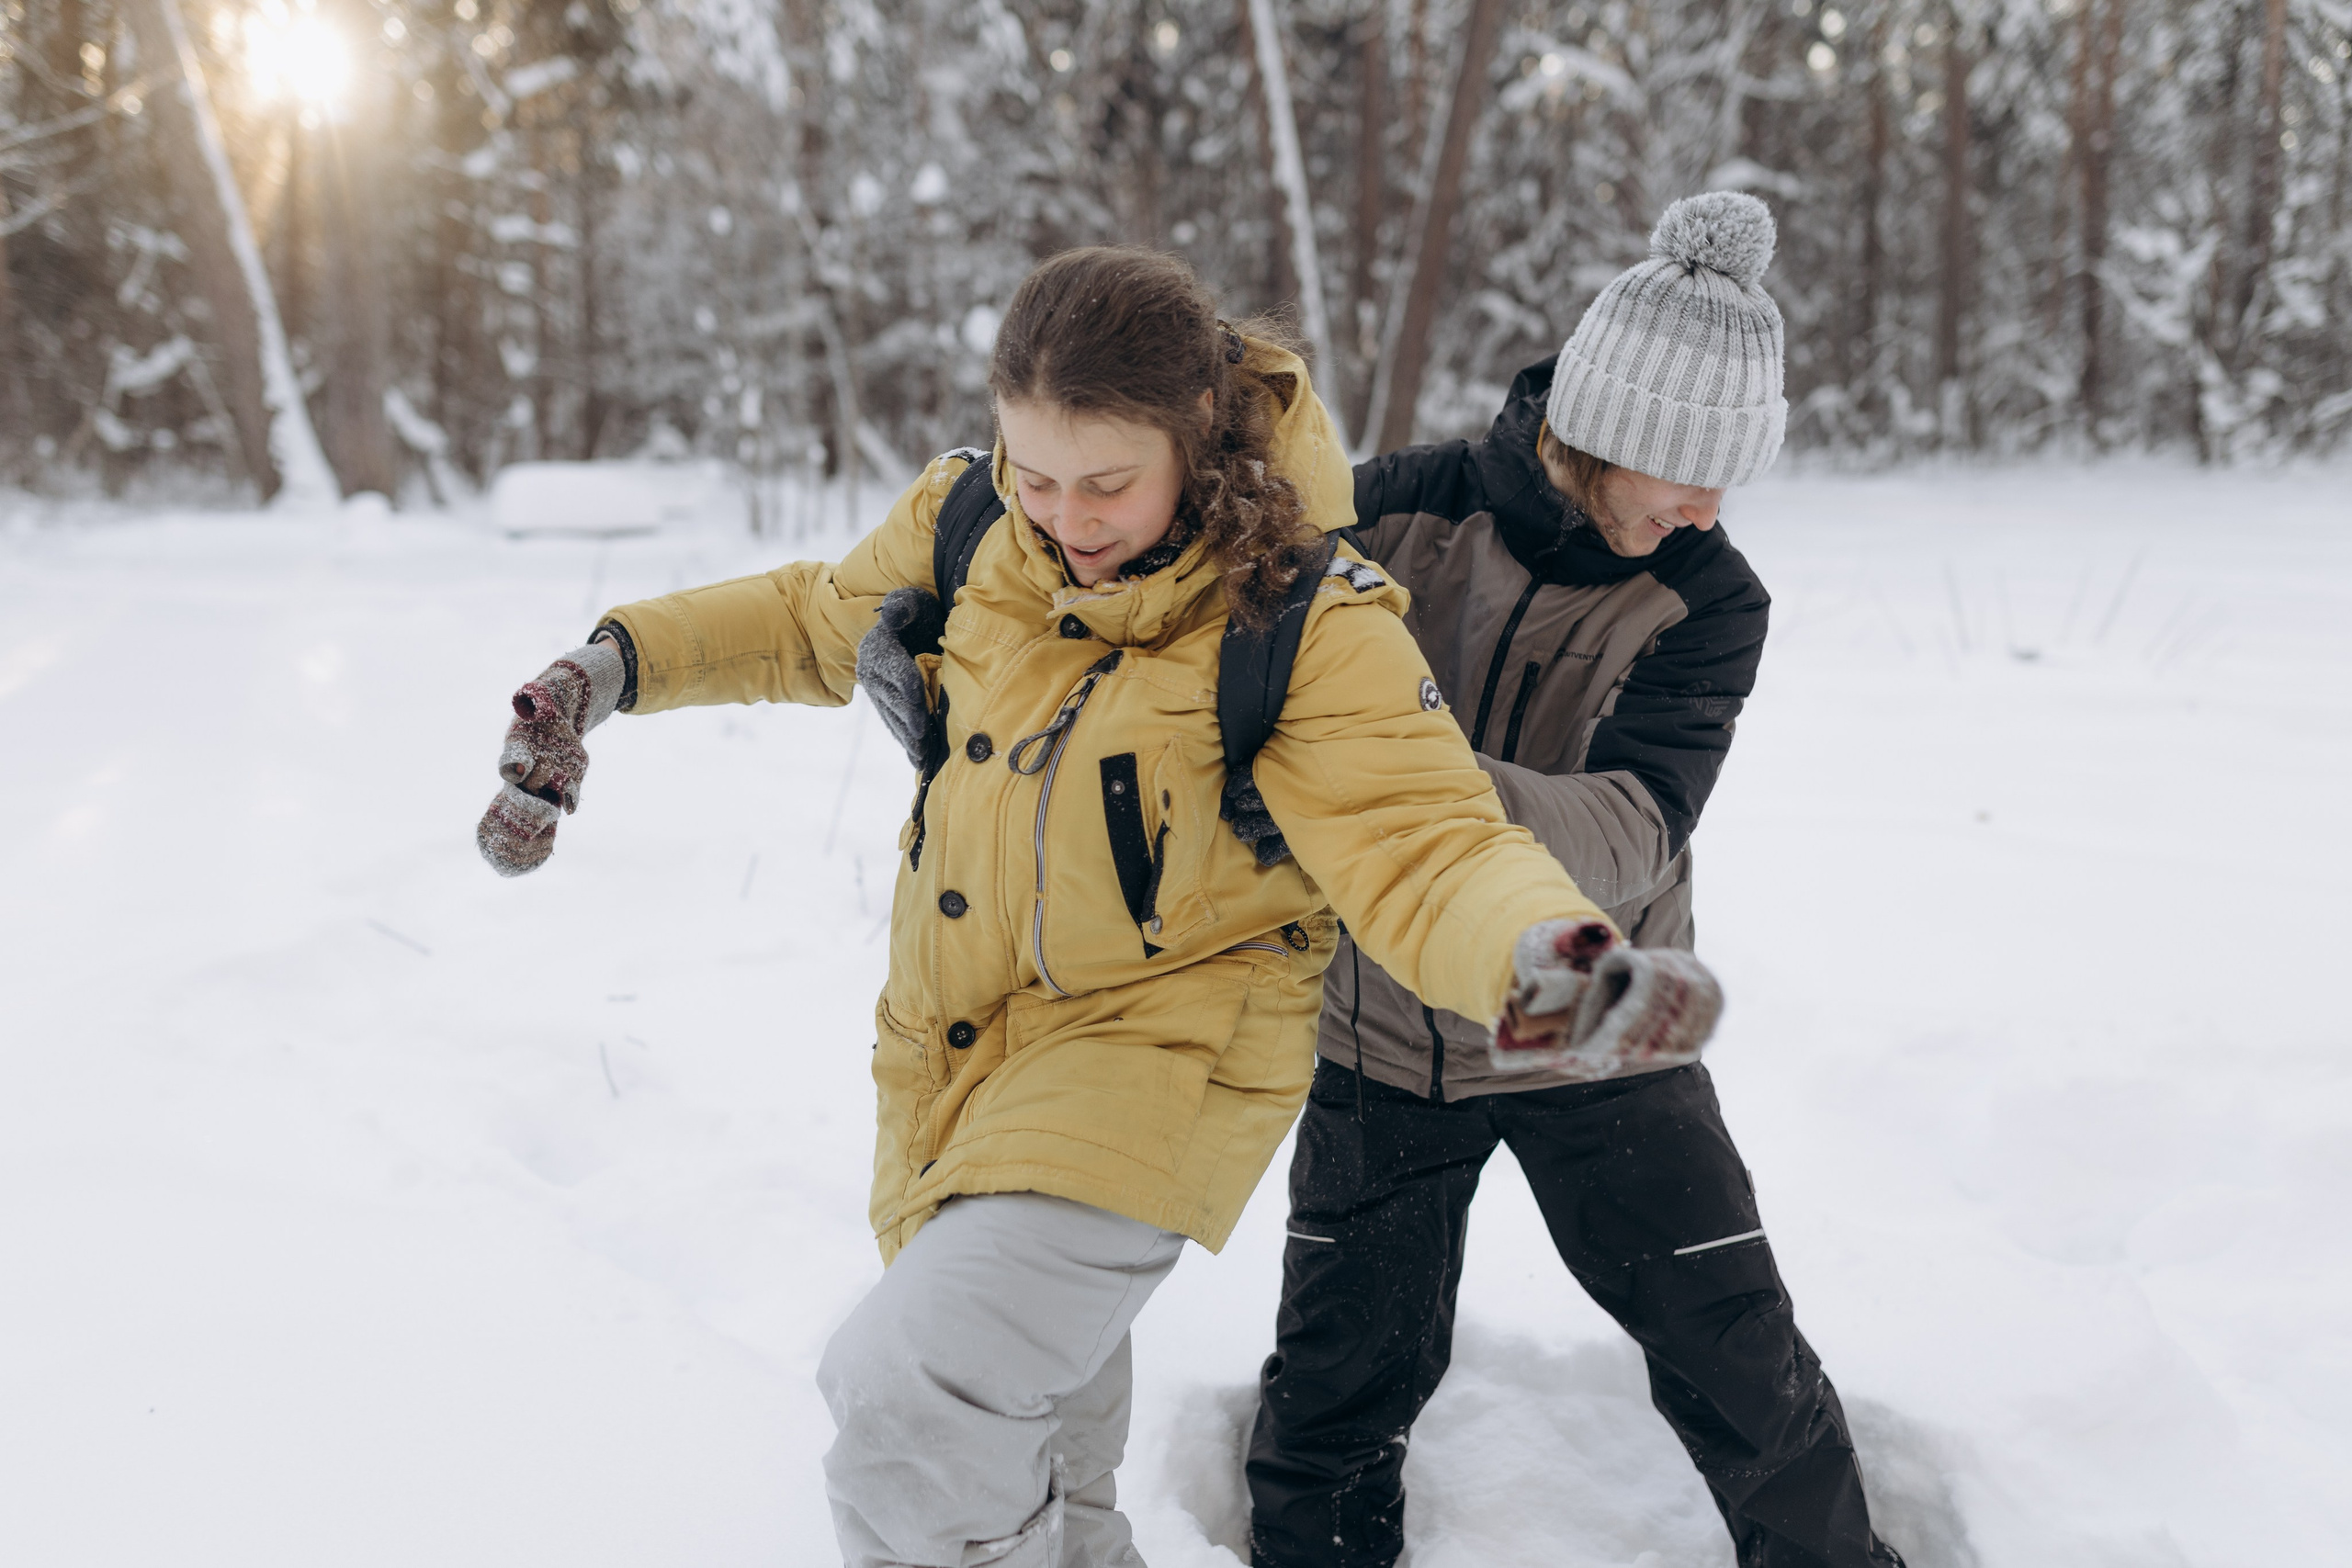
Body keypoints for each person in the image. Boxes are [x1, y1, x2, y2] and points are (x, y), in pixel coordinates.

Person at [473, 247, 1713, 1568]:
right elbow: (806, 620)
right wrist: (605, 669)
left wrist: (1557, 960)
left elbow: (1427, 843)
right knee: (1047, 1482)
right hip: (953, 1061)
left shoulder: (1302, 620)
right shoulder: (971, 526)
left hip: (1157, 1059)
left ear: (1200, 442)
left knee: (913, 1398)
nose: (1064, 514)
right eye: (1036, 471)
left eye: (1108, 482)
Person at [1246, 194, 1908, 1567]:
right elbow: (1212, 650)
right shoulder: (1387, 510)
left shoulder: (1711, 600)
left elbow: (1634, 826)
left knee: (1741, 1367)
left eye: (1731, 479)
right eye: (1691, 473)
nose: (1710, 510)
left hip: (1597, 1021)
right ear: (1618, 432)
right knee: (1333, 1397)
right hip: (1382, 1029)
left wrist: (1395, 783)